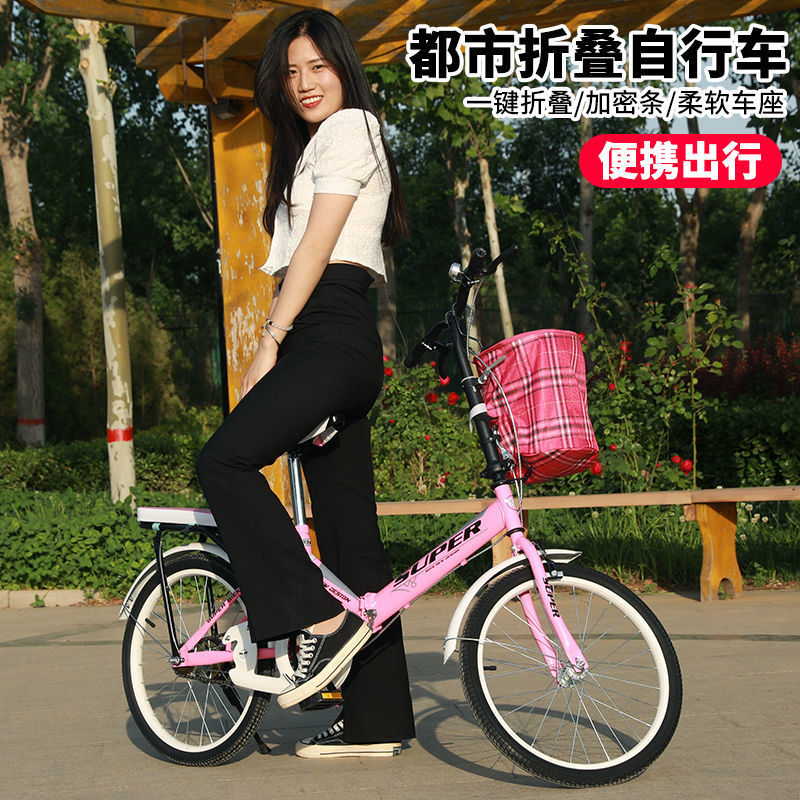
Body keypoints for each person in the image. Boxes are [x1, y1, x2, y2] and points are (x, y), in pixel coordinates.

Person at [196, 8, 416, 759]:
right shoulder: (316, 145)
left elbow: (317, 247)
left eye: (317, 66)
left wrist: (271, 340)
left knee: (222, 461)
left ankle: (319, 618)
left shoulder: (352, 126)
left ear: (343, 67)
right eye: (291, 73)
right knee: (354, 542)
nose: (304, 83)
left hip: (327, 336)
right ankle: (378, 720)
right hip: (334, 341)